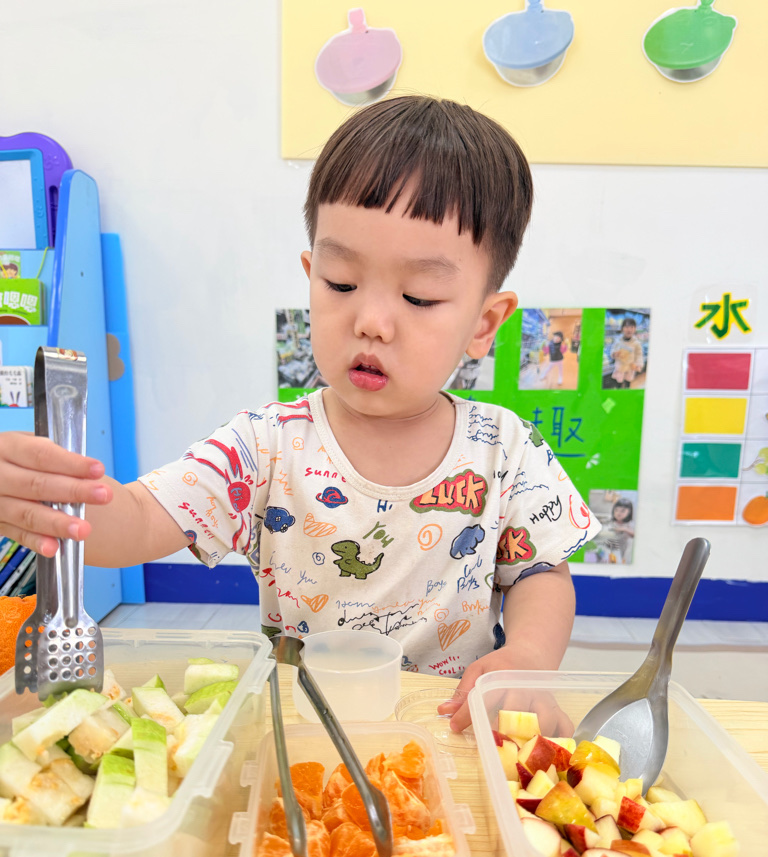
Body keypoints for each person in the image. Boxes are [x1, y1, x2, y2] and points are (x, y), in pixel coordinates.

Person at [0, 95, 600, 734]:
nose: (371, 321)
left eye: (419, 296)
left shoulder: (505, 448)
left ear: (484, 322)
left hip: (450, 727)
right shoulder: (265, 445)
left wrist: (527, 658)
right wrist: (61, 501)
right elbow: (142, 520)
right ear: (311, 275)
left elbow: (540, 571)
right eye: (340, 283)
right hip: (300, 731)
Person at [609, 317, 644, 389]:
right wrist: (614, 354)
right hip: (620, 367)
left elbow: (639, 355)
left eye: (632, 327)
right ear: (622, 329)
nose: (629, 329)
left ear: (635, 329)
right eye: (627, 327)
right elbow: (613, 350)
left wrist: (638, 364)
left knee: (628, 384)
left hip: (630, 368)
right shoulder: (618, 341)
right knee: (618, 384)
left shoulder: (636, 343)